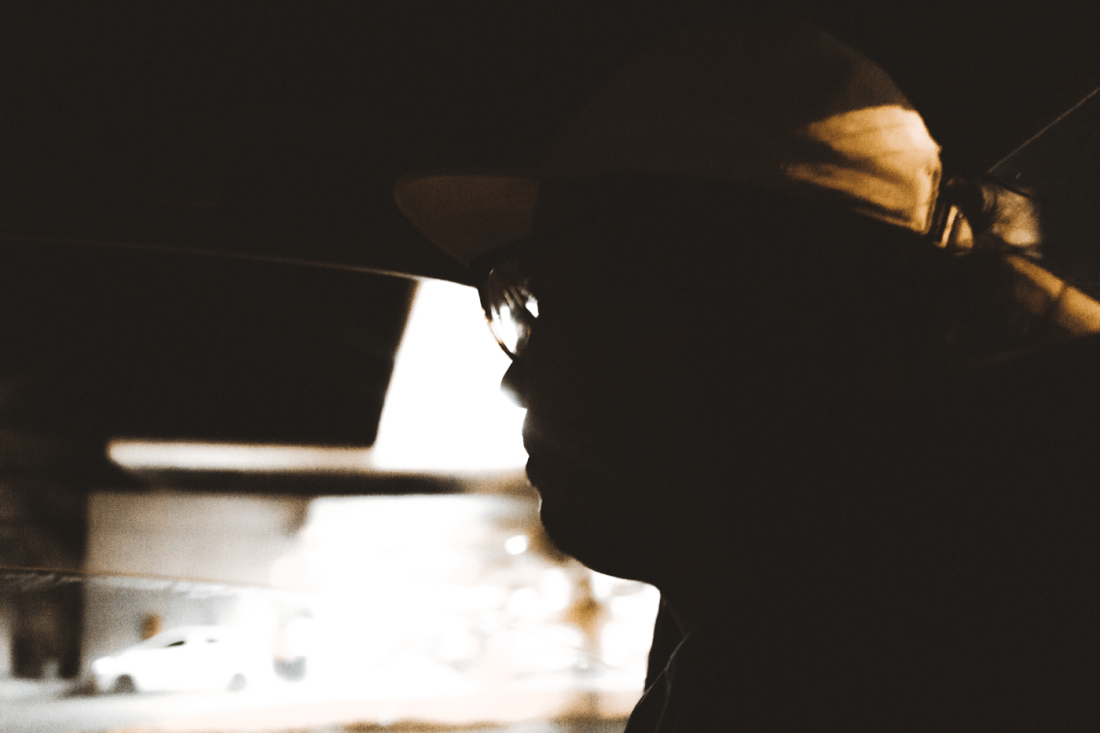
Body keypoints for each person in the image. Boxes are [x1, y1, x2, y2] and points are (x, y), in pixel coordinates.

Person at [395, 18, 1100, 730]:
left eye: (574, 311)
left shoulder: (834, 674)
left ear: (750, 318)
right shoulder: (931, 612)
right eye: (528, 309)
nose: (517, 383)